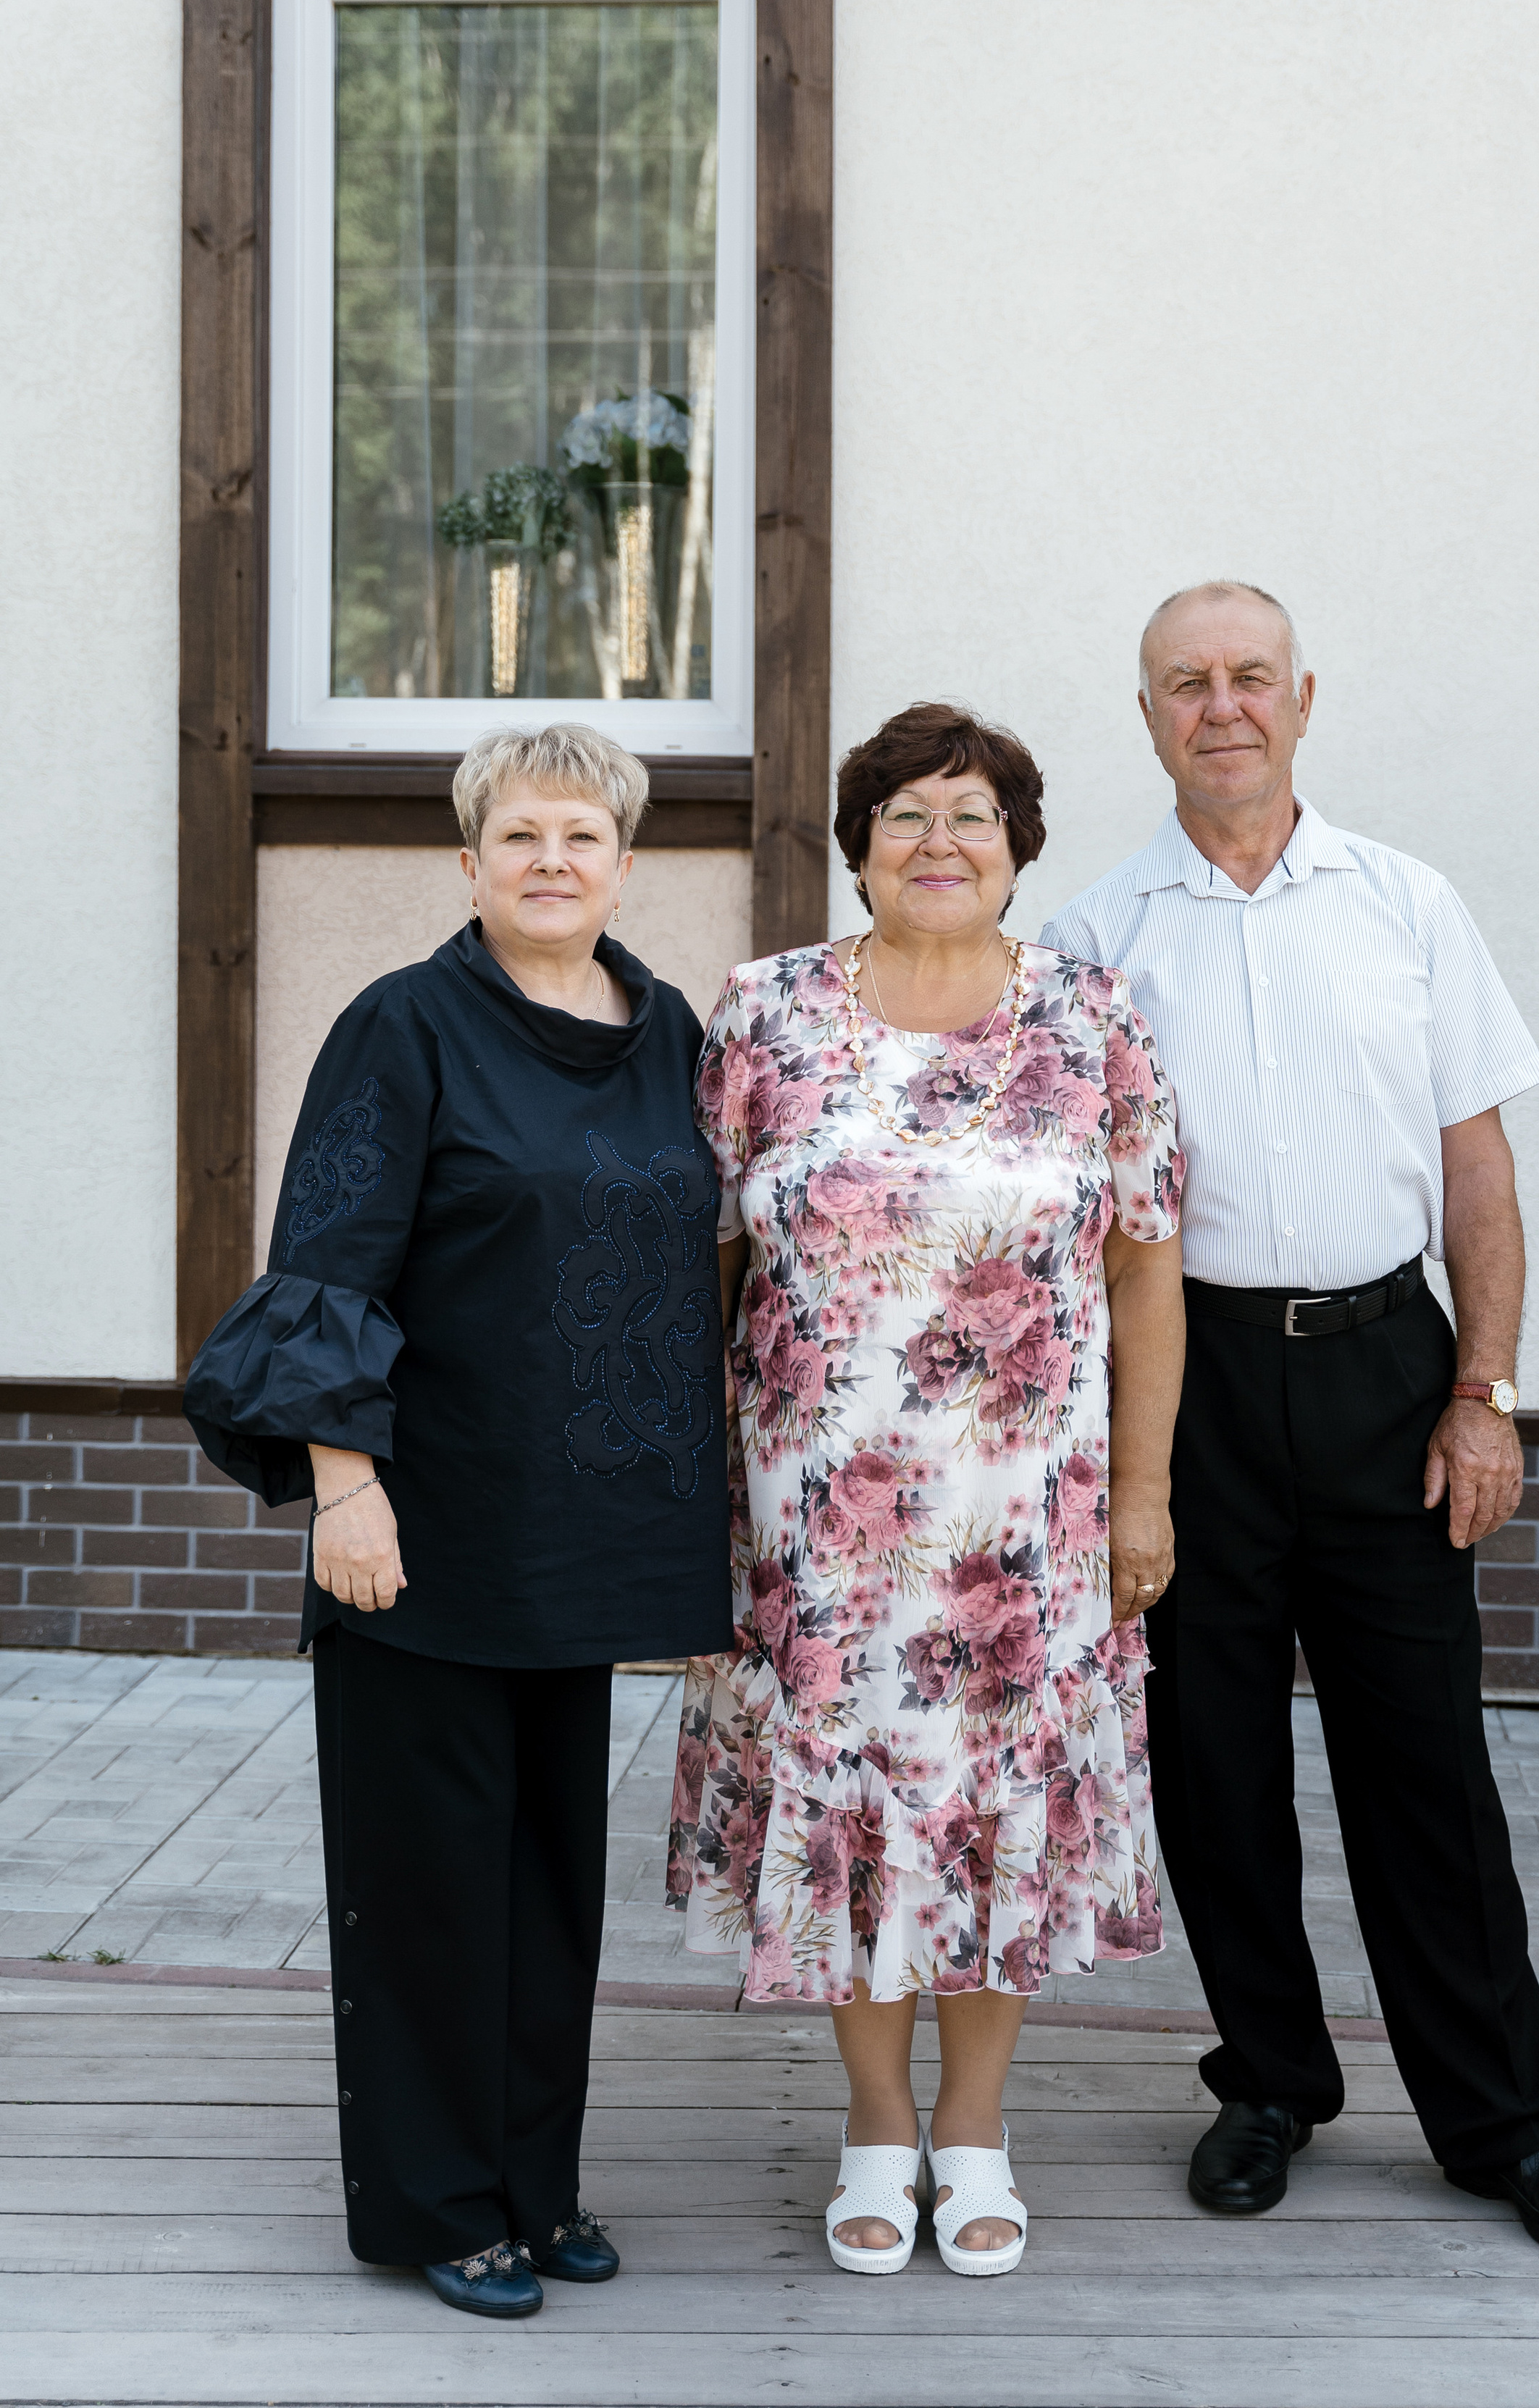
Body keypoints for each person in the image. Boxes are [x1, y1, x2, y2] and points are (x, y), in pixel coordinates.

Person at [1041, 583, 1539, 2268]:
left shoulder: (1406, 904)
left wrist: (1485, 1392)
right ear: (1144, 713)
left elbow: (1476, 1178)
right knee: (1211, 1765)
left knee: (1423, 1775)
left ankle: (1505, 2127)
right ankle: (1269, 2085)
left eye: (1247, 678)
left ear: (1302, 699)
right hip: (1187, 1386)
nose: (1218, 706)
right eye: (1184, 683)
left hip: (1390, 1372)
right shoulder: (1093, 941)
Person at [185, 721, 734, 2320]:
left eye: (581, 834)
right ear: (472, 860)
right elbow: (325, 1261)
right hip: (421, 1533)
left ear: (624, 862)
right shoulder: (404, 1024)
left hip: (581, 1541)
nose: (551, 860)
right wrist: (341, 1487)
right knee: (431, 1881)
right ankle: (438, 2204)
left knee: (549, 1881)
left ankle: (535, 2183)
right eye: (519, 835)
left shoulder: (663, 1028)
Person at [668, 702, 1186, 2277]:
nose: (939, 843)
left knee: (992, 1818)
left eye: (971, 816)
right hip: (816, 1526)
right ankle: (876, 2126)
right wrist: (686, 1499)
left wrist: (1148, 1499)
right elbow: (693, 1260)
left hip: (1028, 1522)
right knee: (858, 1818)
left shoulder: (1095, 1020)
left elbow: (1146, 1272)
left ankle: (974, 2126)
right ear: (859, 845)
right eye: (904, 816)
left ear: (1019, 846)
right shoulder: (762, 1016)